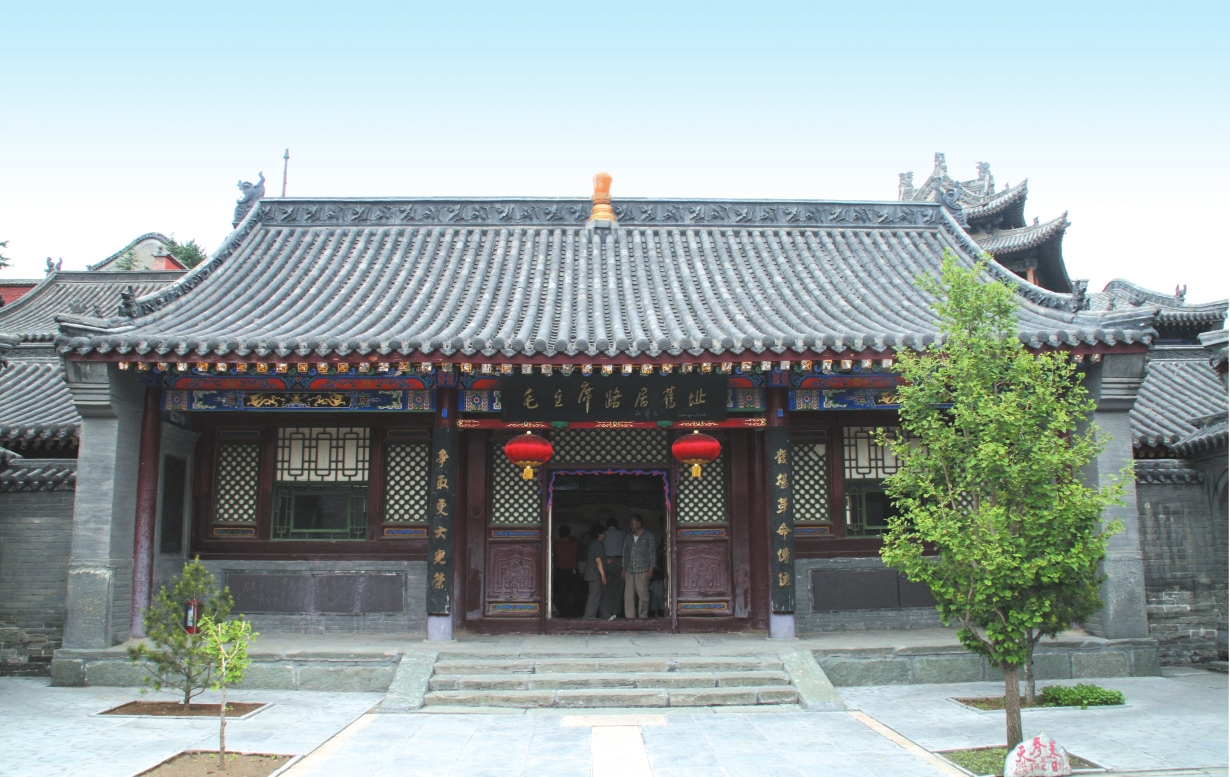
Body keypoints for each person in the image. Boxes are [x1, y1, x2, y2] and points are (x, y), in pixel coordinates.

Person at [620, 514, 658, 619]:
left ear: (639, 524)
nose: (630, 526)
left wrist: (651, 568)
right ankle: (630, 617)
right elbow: (625, 553)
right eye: (630, 524)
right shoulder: (628, 537)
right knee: (628, 595)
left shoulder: (648, 536)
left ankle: (643, 616)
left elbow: (652, 553)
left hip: (643, 569)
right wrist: (623, 568)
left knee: (643, 595)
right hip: (630, 569)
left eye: (632, 524)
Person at [600, 512, 626, 620]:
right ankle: (616, 610)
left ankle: (607, 610)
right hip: (619, 561)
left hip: (607, 561)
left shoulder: (604, 534)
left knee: (607, 587)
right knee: (618, 588)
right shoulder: (623, 533)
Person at [553, 525, 582, 618]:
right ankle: (576, 612)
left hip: (560, 571)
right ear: (569, 533)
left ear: (559, 533)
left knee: (562, 594)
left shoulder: (555, 544)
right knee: (576, 593)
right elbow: (583, 548)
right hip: (573, 571)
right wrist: (574, 539)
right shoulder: (574, 544)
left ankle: (564, 613)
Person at [582, 524, 607, 619]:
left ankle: (606, 615)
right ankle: (589, 616)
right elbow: (598, 560)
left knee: (599, 595)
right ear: (599, 534)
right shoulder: (597, 544)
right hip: (595, 575)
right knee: (594, 596)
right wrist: (603, 575)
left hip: (592, 574)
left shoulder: (593, 543)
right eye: (603, 533)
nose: (605, 534)